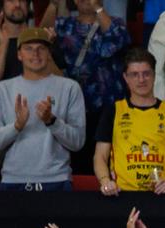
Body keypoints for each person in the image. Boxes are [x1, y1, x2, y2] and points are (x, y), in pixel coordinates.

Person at [0, 25, 87, 189]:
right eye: (29, 48)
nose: (35, 54)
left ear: (49, 53)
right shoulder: (1, 89)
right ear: (19, 54)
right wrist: (17, 126)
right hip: (13, 180)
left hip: (57, 180)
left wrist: (52, 121)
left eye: (41, 48)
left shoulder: (70, 88)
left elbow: (78, 142)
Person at [55, 0, 134, 136]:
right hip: (77, 106)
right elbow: (38, 36)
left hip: (111, 105)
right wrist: (53, 4)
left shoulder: (115, 23)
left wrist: (97, 7)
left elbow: (118, 39)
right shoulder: (64, 25)